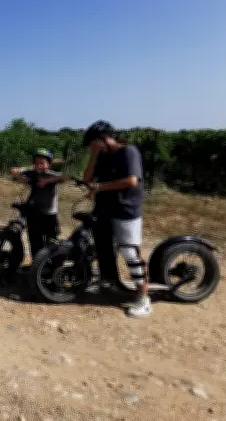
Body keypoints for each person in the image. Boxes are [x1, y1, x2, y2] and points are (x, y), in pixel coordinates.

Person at [81, 120, 150, 318]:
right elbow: (87, 179)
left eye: (93, 143)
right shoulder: (102, 155)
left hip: (126, 209)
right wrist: (94, 155)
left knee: (130, 252)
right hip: (104, 208)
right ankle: (108, 282)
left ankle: (144, 298)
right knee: (103, 248)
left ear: (103, 139)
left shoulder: (128, 152)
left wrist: (100, 187)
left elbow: (132, 181)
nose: (91, 147)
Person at [9, 148, 68, 258]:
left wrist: (47, 181)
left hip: (49, 214)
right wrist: (17, 173)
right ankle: (35, 265)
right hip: (34, 212)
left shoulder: (51, 174)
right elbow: (19, 172)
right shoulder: (32, 173)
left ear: (48, 165)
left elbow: (66, 176)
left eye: (42, 163)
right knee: (34, 240)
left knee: (52, 241)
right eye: (36, 163)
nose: (38, 165)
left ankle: (53, 267)